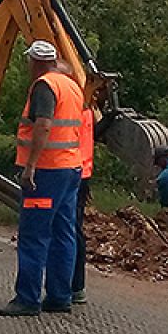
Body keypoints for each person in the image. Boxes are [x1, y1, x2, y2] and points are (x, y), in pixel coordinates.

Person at [0, 40, 84, 317]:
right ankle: (60, 296)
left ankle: (28, 299)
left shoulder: (44, 86)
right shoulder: (71, 85)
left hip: (46, 171)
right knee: (63, 233)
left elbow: (44, 125)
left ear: (35, 61)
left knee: (34, 235)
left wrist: (30, 166)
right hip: (71, 169)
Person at [71, 103, 94, 305]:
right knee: (73, 230)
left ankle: (73, 287)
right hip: (82, 171)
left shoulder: (74, 103)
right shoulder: (86, 107)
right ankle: (76, 287)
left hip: (68, 170)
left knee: (68, 230)